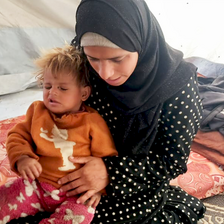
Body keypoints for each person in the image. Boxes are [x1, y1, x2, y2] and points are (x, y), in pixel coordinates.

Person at [8, 0, 206, 223]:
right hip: (63, 176)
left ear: (140, 42)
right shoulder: (80, 59)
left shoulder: (178, 84)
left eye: (117, 59)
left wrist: (110, 173)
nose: (104, 73)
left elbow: (172, 161)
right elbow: (57, 107)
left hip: (132, 186)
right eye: (93, 58)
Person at [2, 44, 118, 224]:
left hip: (75, 194)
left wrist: (98, 189)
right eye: (47, 86)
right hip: (36, 185)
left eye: (62, 89)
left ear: (84, 93)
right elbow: (18, 136)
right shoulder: (37, 111)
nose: (52, 93)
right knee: (4, 197)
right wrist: (23, 158)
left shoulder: (92, 122)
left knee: (81, 215)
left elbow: (106, 158)